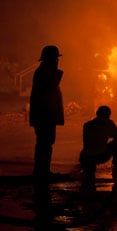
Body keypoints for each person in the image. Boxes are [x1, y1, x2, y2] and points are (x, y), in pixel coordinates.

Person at [29, 45, 64, 207]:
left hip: (45, 116)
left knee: (46, 143)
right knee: (44, 143)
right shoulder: (44, 72)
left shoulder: (44, 71)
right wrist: (57, 71)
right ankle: (41, 172)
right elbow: (51, 87)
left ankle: (43, 171)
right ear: (50, 58)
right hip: (44, 116)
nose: (57, 60)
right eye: (55, 58)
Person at [79, 105, 117, 193]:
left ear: (97, 113)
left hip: (85, 157)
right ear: (109, 115)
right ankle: (116, 168)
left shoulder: (87, 125)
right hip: (99, 156)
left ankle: (87, 171)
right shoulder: (108, 124)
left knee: (88, 181)